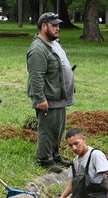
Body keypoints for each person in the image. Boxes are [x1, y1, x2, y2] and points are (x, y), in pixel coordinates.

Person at [27, 12, 75, 173]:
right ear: (43, 26)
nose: (58, 28)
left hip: (59, 95)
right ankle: (43, 159)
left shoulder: (54, 43)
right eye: (54, 25)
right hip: (48, 96)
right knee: (48, 128)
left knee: (58, 127)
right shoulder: (38, 49)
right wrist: (40, 98)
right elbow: (36, 76)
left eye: (58, 25)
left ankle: (54, 155)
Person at [48, 128, 108, 198]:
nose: (74, 148)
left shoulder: (95, 155)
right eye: (70, 145)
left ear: (83, 139)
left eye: (76, 143)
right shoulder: (75, 161)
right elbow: (72, 182)